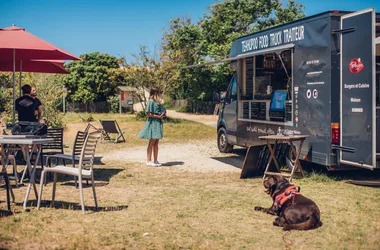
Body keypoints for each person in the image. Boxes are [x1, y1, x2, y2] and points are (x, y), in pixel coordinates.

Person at [138, 87, 166, 167]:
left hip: (158, 123)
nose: (160, 94)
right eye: (159, 93)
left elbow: (162, 110)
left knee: (156, 142)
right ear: (155, 93)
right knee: (152, 142)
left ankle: (156, 160)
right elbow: (148, 113)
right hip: (153, 122)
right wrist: (158, 117)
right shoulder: (151, 101)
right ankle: (148, 160)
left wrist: (163, 113)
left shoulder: (158, 102)